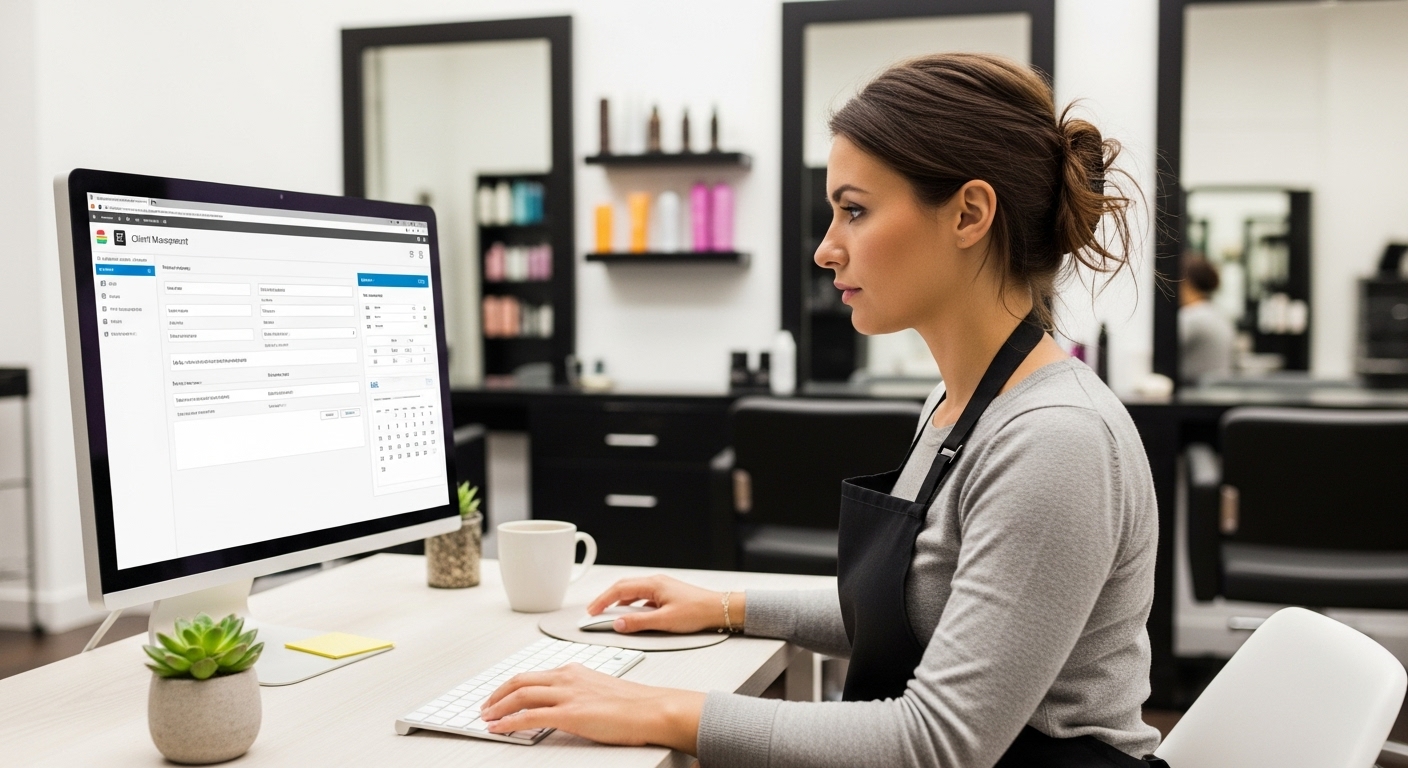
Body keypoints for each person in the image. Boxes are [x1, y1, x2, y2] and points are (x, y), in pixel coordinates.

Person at [480, 53, 1163, 767]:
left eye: (855, 211)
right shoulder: (959, 403)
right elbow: (916, 610)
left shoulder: (1056, 440)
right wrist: (724, 606)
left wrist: (661, 710)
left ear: (969, 214)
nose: (825, 249)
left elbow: (939, 745)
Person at [1178, 254, 1235, 385]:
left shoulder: (1192, 317)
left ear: (1186, 283)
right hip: (1215, 391)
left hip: (1194, 393)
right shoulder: (1217, 314)